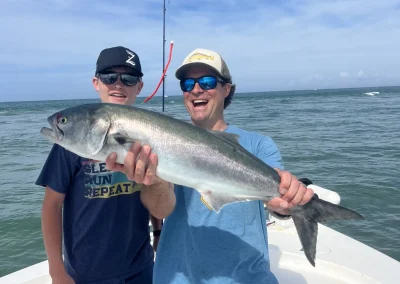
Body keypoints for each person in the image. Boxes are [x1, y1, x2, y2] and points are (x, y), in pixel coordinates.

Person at [106, 48, 314, 283]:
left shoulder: (259, 145)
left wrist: (285, 202)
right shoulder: (162, 141)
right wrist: (155, 181)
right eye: (188, 84)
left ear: (226, 89)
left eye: (207, 81)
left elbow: (275, 198)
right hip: (177, 277)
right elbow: (160, 210)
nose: (196, 89)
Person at [36, 46, 163, 284]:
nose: (118, 84)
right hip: (86, 273)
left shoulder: (150, 135)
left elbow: (152, 187)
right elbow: (51, 206)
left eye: (128, 78)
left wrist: (157, 230)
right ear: (96, 82)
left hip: (140, 267)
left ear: (139, 86)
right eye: (108, 77)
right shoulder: (70, 145)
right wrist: (56, 270)